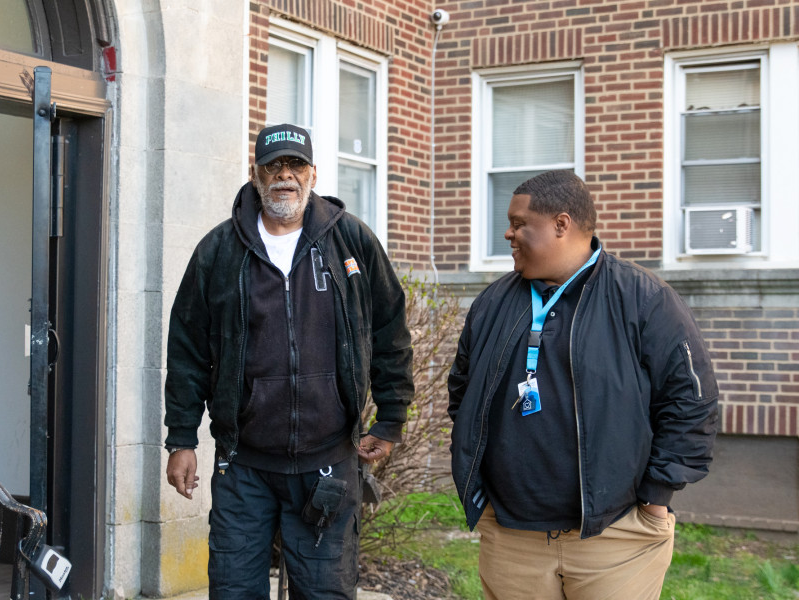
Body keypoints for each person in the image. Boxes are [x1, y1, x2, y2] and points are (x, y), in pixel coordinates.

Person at [164, 123, 414, 600]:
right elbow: (188, 350)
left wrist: (391, 418)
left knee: (324, 593)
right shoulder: (219, 251)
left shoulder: (351, 242)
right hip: (243, 467)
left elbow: (389, 331)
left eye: (296, 165)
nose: (285, 176)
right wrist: (180, 437)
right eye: (273, 166)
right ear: (255, 175)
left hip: (328, 463)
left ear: (313, 174)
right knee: (234, 591)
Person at [447, 170, 718, 600]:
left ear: (561, 224)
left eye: (519, 224)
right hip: (511, 537)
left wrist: (655, 498)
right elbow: (462, 393)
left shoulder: (643, 298)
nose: (508, 233)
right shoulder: (492, 303)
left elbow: (691, 402)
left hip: (615, 538)